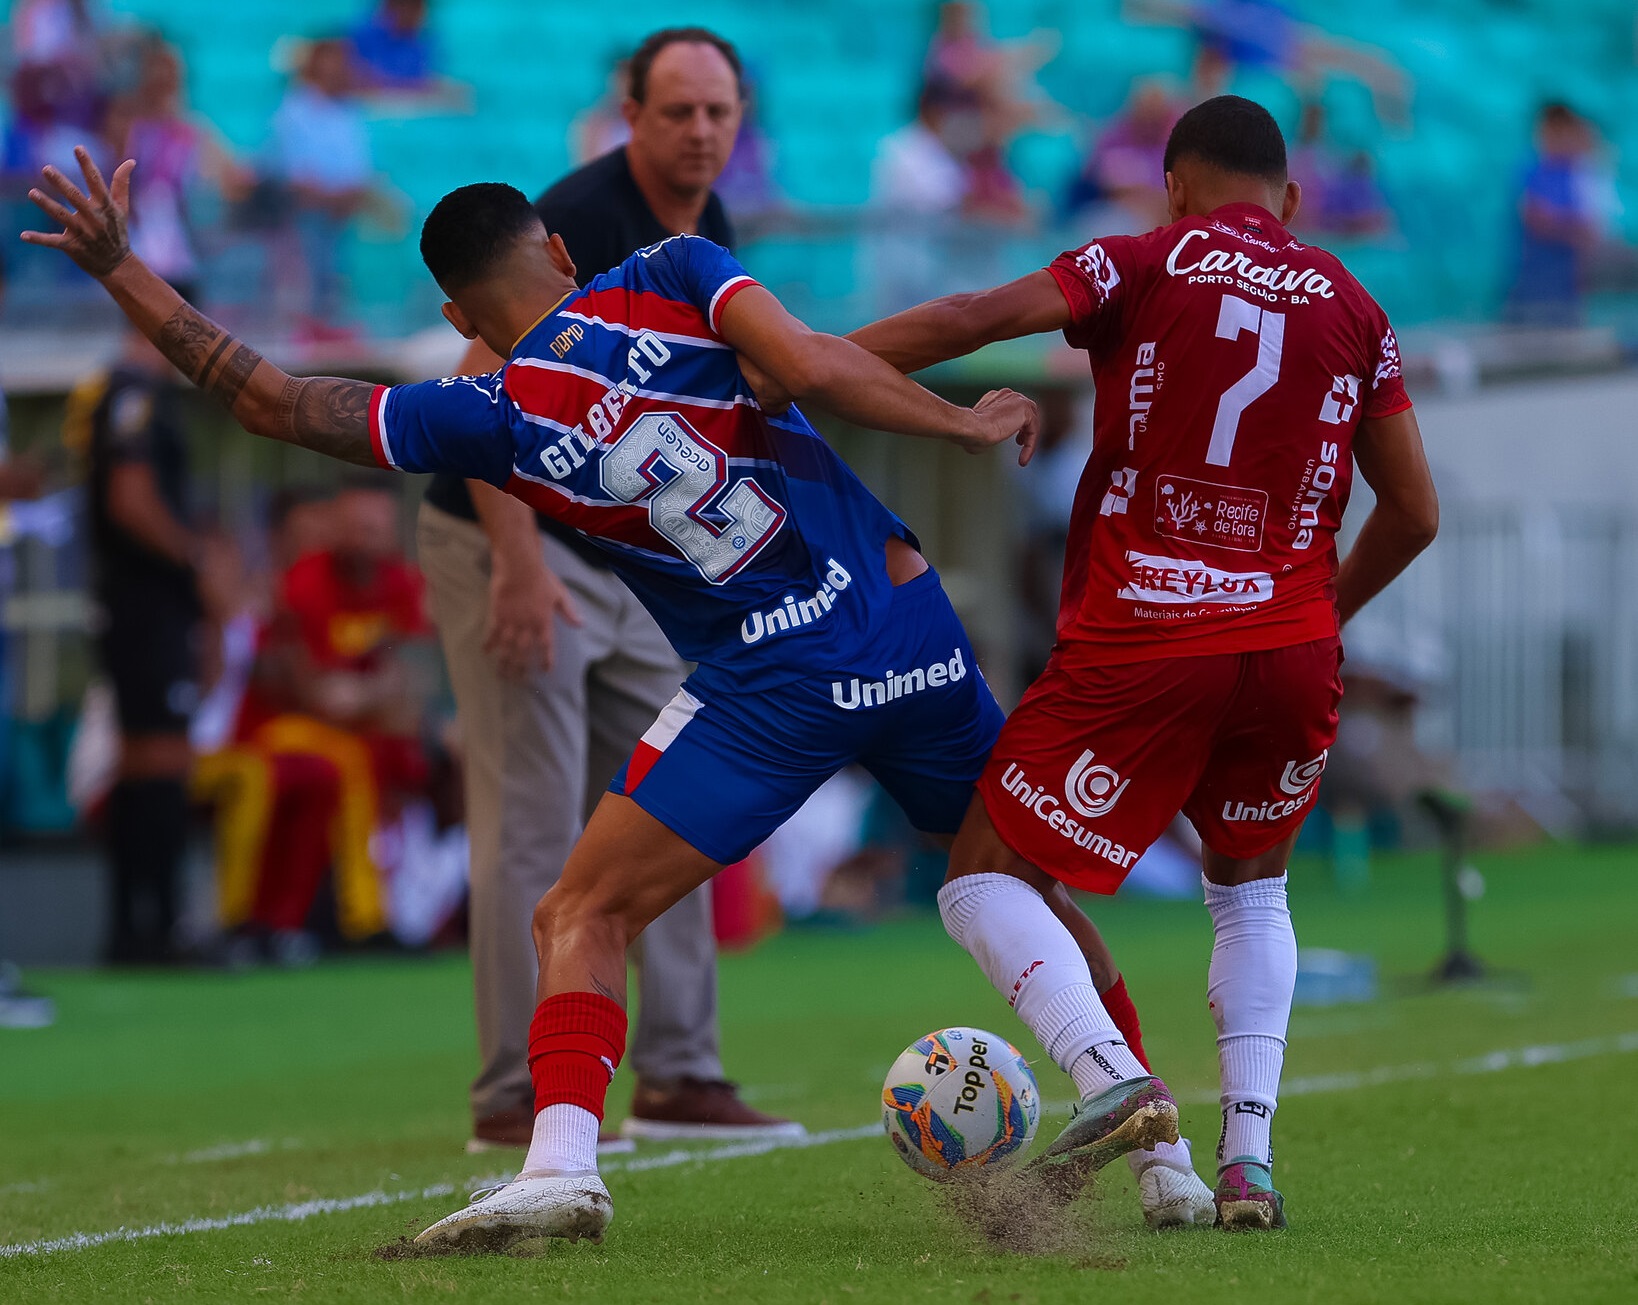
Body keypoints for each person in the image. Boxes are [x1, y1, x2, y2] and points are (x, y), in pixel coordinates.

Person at [26, 148, 1129, 1254]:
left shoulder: (489, 414)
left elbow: (271, 400)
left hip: (777, 675)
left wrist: (122, 268)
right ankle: (1144, 1118)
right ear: (558, 250)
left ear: (458, 309)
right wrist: (962, 429)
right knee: (1003, 881)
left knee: (580, 915)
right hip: (908, 621)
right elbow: (817, 367)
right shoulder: (679, 270)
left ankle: (560, 1171)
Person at [847, 95, 1439, 1230]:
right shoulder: (1359, 307)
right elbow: (1413, 512)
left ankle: (1115, 1080)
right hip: (1291, 648)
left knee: (980, 876)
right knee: (1251, 892)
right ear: (1294, 199)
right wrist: (1315, 612)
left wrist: (805, 364)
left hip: (1146, 636)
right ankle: (1248, 1164)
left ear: (1174, 184)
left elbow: (977, 313)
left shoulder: (1145, 256)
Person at [415, 26, 794, 1152]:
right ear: (629, 115)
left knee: (681, 800)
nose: (700, 132)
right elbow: (486, 384)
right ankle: (511, 1093)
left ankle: (679, 1074)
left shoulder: (708, 223)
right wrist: (520, 569)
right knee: (531, 819)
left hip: (617, 560)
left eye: (719, 113)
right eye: (677, 111)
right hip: (506, 540)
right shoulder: (572, 220)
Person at [77, 324, 208, 964]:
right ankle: (153, 928)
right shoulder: (134, 394)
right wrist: (196, 561)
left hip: (136, 607)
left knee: (148, 758)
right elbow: (131, 500)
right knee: (158, 758)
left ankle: (135, 926)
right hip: (145, 607)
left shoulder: (123, 394)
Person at [267, 38, 374, 336]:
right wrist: (328, 196)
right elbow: (293, 170)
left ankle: (329, 324)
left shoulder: (350, 112)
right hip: (306, 210)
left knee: (335, 276)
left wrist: (347, 196)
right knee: (307, 275)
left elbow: (360, 166)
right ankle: (307, 328)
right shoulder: (294, 110)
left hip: (341, 210)